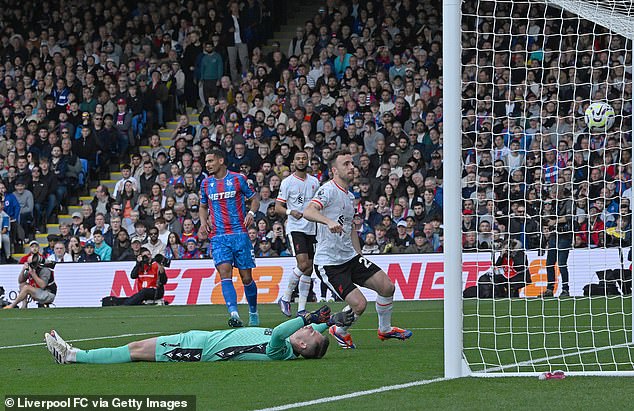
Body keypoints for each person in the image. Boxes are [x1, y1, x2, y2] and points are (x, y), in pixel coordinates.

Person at [303, 149, 412, 349]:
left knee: (387, 286)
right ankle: (339, 330)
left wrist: (358, 253)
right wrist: (327, 221)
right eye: (346, 164)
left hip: (350, 257)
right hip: (330, 263)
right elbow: (308, 211)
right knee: (359, 305)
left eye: (352, 163)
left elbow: (350, 226)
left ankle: (385, 329)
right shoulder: (328, 190)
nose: (352, 167)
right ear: (334, 170)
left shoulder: (349, 196)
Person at [45, 307, 355, 364]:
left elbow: (283, 329)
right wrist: (334, 322)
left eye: (306, 332)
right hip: (200, 340)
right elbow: (309, 333)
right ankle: (73, 355)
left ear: (301, 344)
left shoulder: (279, 348)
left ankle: (73, 356)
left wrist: (309, 317)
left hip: (197, 349)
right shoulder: (296, 346)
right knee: (137, 348)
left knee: (136, 349)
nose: (305, 329)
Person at [198, 149, 260, 327]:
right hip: (218, 236)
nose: (207, 164)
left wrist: (251, 213)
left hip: (240, 234)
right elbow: (203, 206)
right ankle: (234, 314)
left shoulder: (238, 179)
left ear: (220, 160)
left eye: (210, 160)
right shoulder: (206, 183)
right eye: (206, 161)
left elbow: (255, 199)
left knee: (246, 278)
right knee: (225, 273)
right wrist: (203, 222)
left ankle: (253, 312)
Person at [275, 150, 320, 316]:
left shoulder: (315, 182)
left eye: (304, 158)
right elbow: (278, 206)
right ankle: (286, 298)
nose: (301, 161)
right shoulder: (287, 182)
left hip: (312, 228)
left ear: (307, 161)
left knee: (309, 269)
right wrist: (289, 212)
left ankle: (301, 308)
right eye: (298, 158)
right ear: (293, 162)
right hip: (296, 228)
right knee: (303, 264)